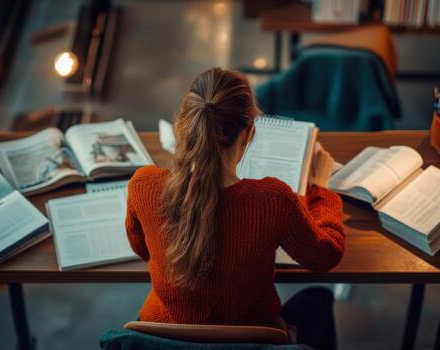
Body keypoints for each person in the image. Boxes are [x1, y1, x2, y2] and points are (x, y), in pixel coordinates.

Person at [125, 68, 345, 349]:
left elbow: (142, 248)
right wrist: (322, 188)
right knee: (318, 300)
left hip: (164, 337)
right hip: (254, 339)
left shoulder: (144, 185)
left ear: (182, 126)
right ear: (249, 133)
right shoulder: (272, 200)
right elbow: (325, 255)